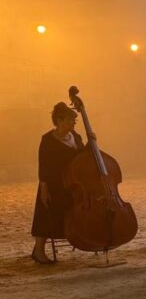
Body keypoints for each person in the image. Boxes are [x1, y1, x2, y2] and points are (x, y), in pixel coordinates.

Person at [30, 103, 85, 264]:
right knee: (45, 215)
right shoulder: (47, 139)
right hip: (53, 184)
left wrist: (92, 142)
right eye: (70, 120)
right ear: (59, 121)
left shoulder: (76, 136)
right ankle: (39, 251)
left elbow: (83, 155)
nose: (73, 123)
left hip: (72, 183)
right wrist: (44, 188)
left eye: (74, 121)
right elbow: (43, 165)